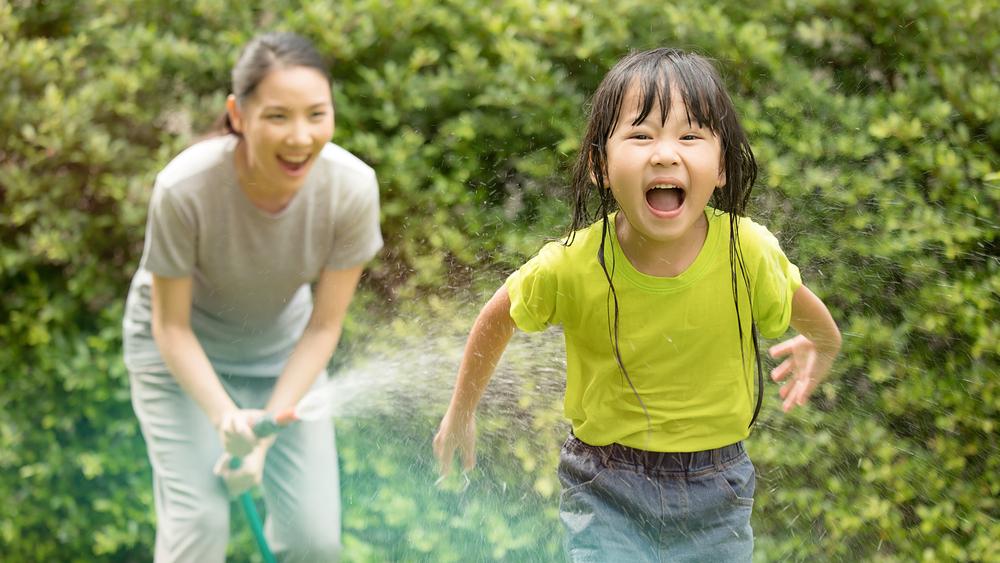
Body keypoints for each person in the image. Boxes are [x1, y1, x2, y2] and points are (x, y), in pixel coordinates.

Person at [433, 47, 841, 562]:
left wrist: (823, 344)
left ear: (721, 166)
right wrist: (462, 411)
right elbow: (496, 317)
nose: (665, 153)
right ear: (600, 166)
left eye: (690, 135)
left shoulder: (748, 254)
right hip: (605, 484)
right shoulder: (573, 264)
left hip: (720, 493)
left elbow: (811, 314)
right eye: (641, 134)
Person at [123, 32, 382, 562]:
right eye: (277, 117)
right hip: (177, 355)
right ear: (238, 115)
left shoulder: (352, 189)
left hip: (281, 355)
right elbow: (170, 328)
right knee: (199, 525)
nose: (301, 137)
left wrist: (261, 436)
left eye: (317, 114)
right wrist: (226, 419)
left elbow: (324, 327)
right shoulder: (184, 189)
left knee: (315, 541)